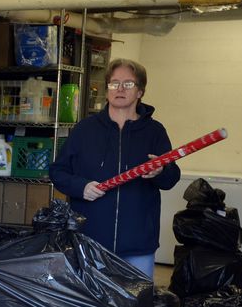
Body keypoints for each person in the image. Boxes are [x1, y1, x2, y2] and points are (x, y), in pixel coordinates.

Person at [50, 58, 180, 277]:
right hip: (89, 243)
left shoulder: (154, 132)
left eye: (128, 84)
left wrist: (160, 172)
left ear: (140, 91)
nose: (119, 89)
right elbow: (57, 172)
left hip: (138, 245)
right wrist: (81, 187)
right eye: (114, 83)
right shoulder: (85, 130)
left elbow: (171, 178)